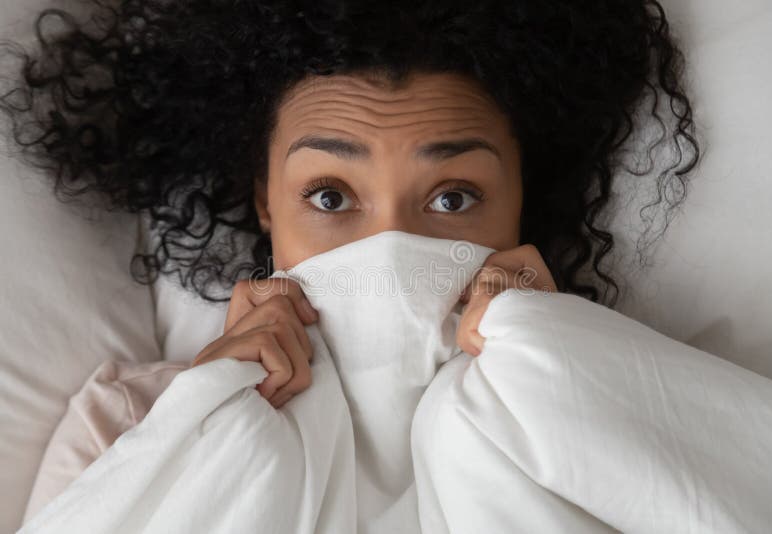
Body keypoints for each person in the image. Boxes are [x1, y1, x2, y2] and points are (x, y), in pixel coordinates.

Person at [0, 0, 700, 521]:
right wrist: (196, 434)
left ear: (521, 207)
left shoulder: (639, 399)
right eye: (331, 195)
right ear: (267, 203)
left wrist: (573, 375)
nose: (387, 245)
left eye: (453, 198)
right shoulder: (126, 420)